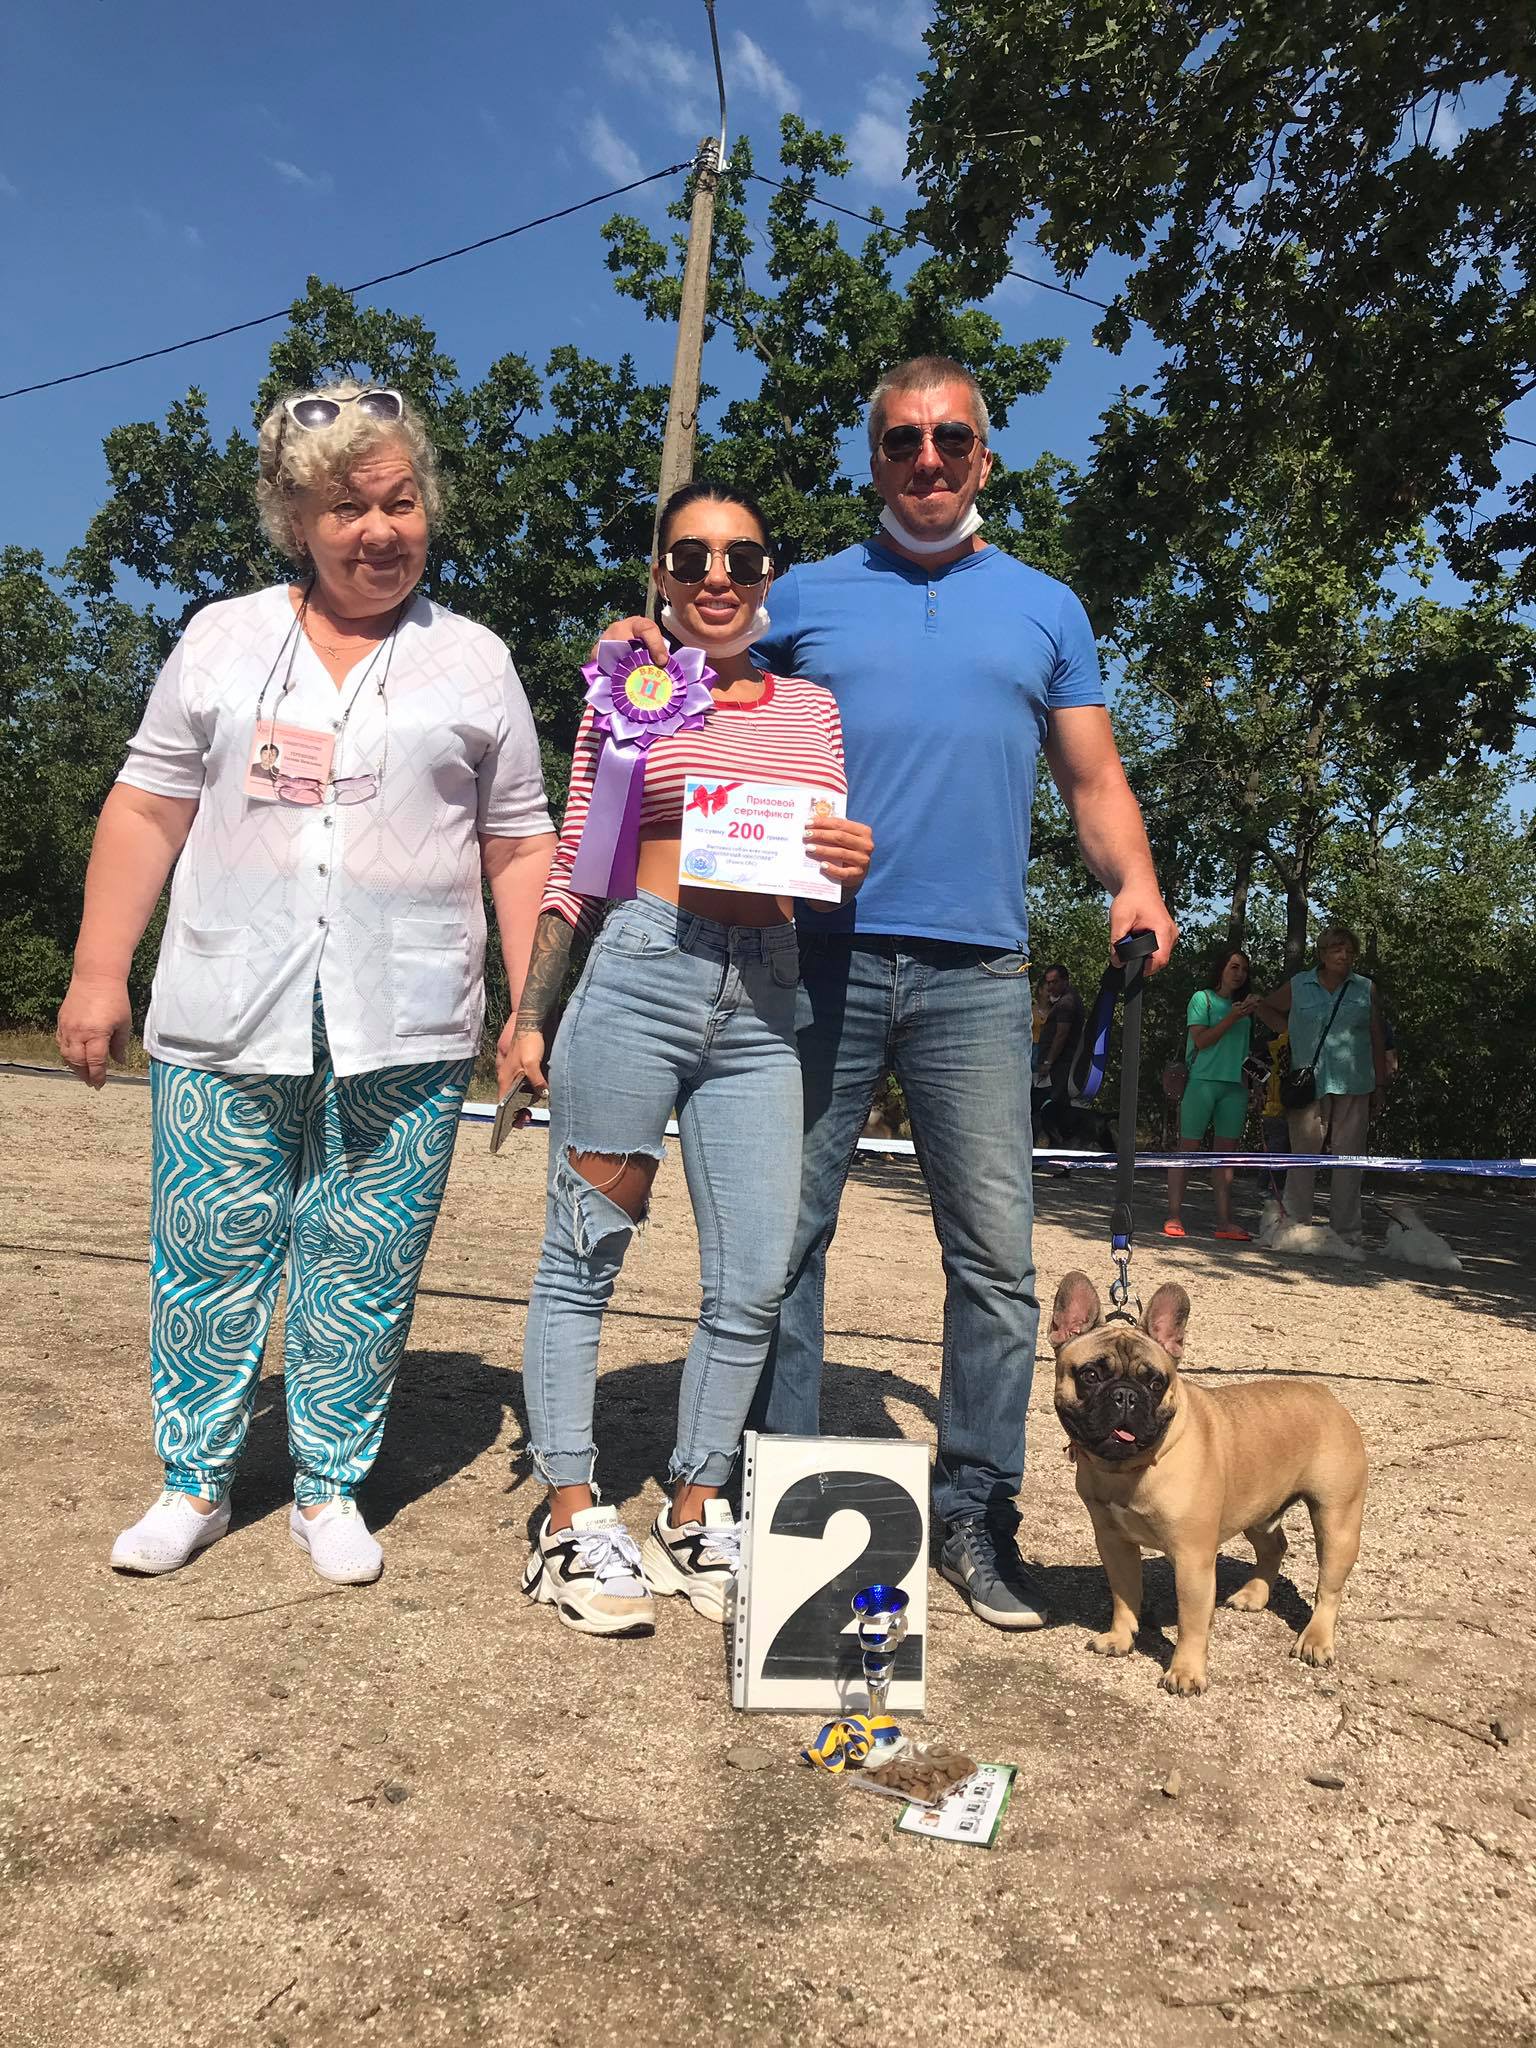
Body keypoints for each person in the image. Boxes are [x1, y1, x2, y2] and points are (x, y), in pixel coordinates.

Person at [600, 355, 1177, 1632]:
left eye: (951, 438)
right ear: (875, 458)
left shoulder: (1047, 608)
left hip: (981, 974)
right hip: (816, 959)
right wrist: (647, 642)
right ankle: (787, 1498)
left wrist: (1133, 881)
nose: (928, 458)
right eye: (905, 439)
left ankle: (975, 1512)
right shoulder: (803, 593)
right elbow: (699, 671)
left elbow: (1092, 780)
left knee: (997, 1262)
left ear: (985, 456)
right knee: (786, 1240)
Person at [55, 380, 556, 1584]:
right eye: (347, 507)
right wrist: (96, 971)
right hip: (226, 1003)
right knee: (208, 1246)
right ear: (295, 521)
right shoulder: (220, 639)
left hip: (408, 1015)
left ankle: (328, 1485)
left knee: (364, 1258)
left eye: (400, 502)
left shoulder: (475, 659)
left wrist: (529, 1008)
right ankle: (194, 1479)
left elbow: (519, 840)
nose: (381, 529)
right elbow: (148, 804)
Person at [508, 481, 872, 1637]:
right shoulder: (627, 684)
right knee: (586, 1252)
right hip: (640, 974)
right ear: (662, 572)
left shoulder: (812, 708)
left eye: (742, 557)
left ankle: (696, 1505)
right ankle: (571, 1512)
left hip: (765, 1000)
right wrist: (530, 1015)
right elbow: (581, 856)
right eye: (693, 556)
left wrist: (847, 859)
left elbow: (821, 856)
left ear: (769, 577)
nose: (719, 575)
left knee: (755, 1277)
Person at [1254, 924, 1386, 1244]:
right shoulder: (1299, 984)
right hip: (1308, 1083)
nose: (1344, 956)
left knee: (1349, 1160)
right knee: (1302, 1157)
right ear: (1323, 954)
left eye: (1350, 951)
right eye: (1337, 949)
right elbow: (1264, 1007)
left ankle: (1347, 1234)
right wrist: (1290, 1030)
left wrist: (1380, 1085)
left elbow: (1377, 1036)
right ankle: (1294, 1228)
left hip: (1355, 1082)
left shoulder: (1365, 988)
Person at [1163, 946, 1258, 1241]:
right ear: (1221, 969)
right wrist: (1231, 1017)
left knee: (1225, 1157)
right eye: (1234, 967)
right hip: (1202, 1081)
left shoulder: (1246, 1009)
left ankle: (1225, 1222)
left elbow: (1244, 1051)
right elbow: (1201, 1041)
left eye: (1244, 969)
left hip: (1235, 1087)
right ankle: (1174, 1215)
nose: (1239, 974)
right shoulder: (1202, 999)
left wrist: (1253, 1085)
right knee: (1187, 1149)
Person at [1031, 962, 1085, 1137]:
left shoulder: (1066, 1003)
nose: (1050, 987)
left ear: (1065, 980)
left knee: (1052, 1107)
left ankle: (1060, 1143)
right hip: (1060, 1063)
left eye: (1054, 982)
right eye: (1048, 983)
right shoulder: (1066, 1000)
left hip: (1061, 1064)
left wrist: (1048, 1061)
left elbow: (1061, 1034)